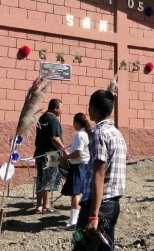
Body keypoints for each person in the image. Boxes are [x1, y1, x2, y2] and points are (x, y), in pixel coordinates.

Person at [74, 90, 127, 251]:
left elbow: (99, 174)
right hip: (112, 205)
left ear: (95, 108)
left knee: (81, 246)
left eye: (89, 106)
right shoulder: (117, 134)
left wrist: (93, 216)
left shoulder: (99, 134)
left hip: (97, 206)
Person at [34, 99, 66, 214]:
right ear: (56, 108)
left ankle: (38, 206)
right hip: (51, 154)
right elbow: (54, 137)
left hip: (39, 153)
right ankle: (46, 206)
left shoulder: (42, 118)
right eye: (61, 107)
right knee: (49, 179)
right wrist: (64, 150)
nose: (62, 110)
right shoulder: (53, 119)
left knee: (40, 179)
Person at [60, 113, 91, 229]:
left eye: (74, 123)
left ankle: (73, 221)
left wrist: (65, 158)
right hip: (84, 165)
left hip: (79, 165)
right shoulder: (87, 134)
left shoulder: (80, 135)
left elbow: (78, 152)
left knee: (75, 193)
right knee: (82, 192)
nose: (73, 125)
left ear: (77, 123)